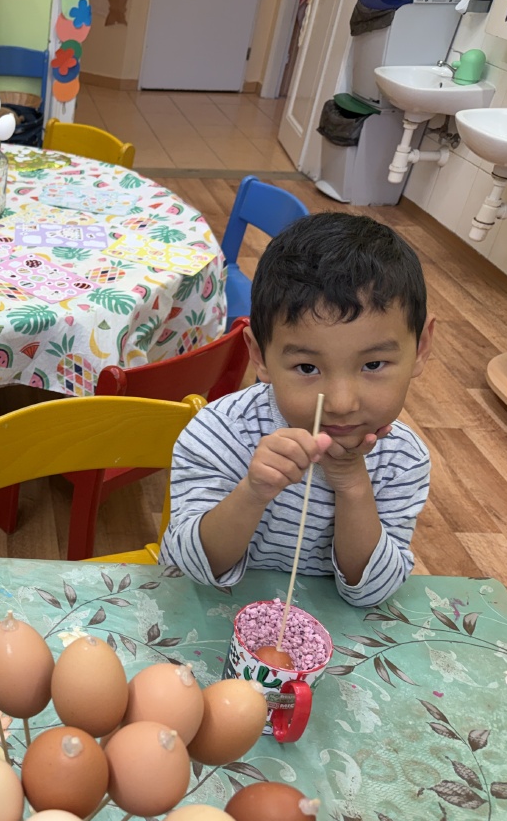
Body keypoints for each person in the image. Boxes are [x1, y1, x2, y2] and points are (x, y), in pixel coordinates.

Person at [160, 212, 435, 607]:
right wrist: (253, 492)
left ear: (420, 348)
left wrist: (353, 484)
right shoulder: (221, 433)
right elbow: (187, 567)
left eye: (373, 364)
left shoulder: (402, 460)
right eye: (307, 368)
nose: (341, 403)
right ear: (260, 356)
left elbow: (373, 591)